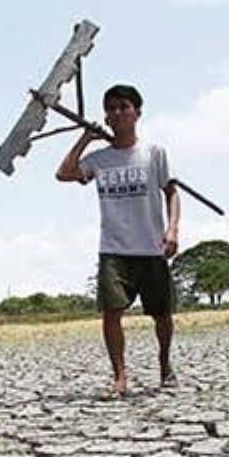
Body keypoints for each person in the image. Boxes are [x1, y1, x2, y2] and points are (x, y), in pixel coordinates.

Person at [55, 83, 180, 397]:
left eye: (124, 107)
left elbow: (171, 192)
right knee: (112, 312)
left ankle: (165, 364)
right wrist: (85, 137)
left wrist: (173, 230)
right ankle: (120, 377)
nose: (117, 112)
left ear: (137, 112)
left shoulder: (154, 153)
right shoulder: (100, 160)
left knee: (162, 314)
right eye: (111, 108)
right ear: (106, 118)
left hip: (151, 247)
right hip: (114, 249)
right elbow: (64, 173)